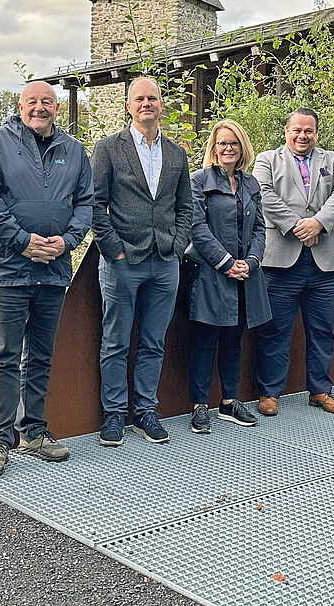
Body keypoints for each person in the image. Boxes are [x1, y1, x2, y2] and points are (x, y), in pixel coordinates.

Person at [0, 81, 94, 476]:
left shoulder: (73, 151)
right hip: (7, 270)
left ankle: (34, 431)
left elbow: (86, 202)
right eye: (32, 102)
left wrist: (68, 240)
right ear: (20, 106)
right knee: (5, 356)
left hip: (54, 270)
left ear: (57, 109)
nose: (40, 108)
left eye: (48, 102)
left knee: (40, 355)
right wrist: (21, 241)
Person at [90, 77, 193, 446]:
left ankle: (146, 411)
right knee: (115, 341)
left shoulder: (177, 154)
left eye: (152, 98)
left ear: (161, 105)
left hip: (165, 260)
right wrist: (113, 249)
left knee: (154, 341)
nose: (146, 103)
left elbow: (186, 208)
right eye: (139, 99)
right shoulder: (107, 149)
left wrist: (178, 246)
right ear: (129, 106)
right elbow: (93, 204)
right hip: (122, 261)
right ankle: (114, 414)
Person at [253, 108, 334, 416]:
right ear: (286, 131)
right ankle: (270, 393)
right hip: (281, 261)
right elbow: (264, 196)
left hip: (325, 263)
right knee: (275, 331)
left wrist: (318, 223)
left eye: (308, 130)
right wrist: (299, 225)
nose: (302, 135)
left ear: (316, 133)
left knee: (323, 330)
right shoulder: (267, 160)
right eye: (296, 130)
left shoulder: (333, 160)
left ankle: (320, 390)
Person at [186, 120, 270, 433]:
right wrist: (225, 262)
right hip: (211, 275)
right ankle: (198, 405)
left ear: (242, 147)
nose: (228, 149)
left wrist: (251, 261)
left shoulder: (251, 184)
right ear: (213, 147)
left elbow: (261, 227)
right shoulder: (198, 180)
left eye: (234, 143)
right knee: (205, 341)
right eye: (222, 143)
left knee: (234, 341)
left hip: (245, 278)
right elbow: (197, 228)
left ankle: (229, 402)